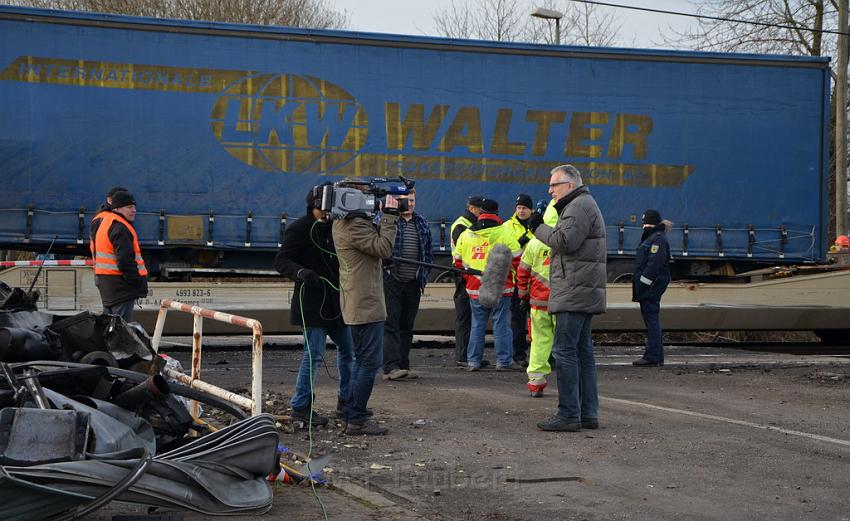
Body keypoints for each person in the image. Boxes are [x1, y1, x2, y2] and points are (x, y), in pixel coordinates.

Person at [528, 165, 606, 432]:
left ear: (570, 185)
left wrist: (537, 227)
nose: (550, 191)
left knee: (564, 352)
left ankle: (569, 414)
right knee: (581, 352)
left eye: (554, 185)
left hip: (574, 290)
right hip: (581, 289)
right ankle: (587, 413)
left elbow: (564, 241)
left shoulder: (577, 207)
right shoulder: (583, 204)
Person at [274, 184, 354, 426]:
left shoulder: (336, 227)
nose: (328, 214)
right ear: (314, 206)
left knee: (349, 350)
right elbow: (281, 260)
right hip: (311, 302)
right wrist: (302, 272)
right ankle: (301, 407)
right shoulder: (300, 228)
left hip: (336, 301)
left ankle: (347, 401)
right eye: (324, 209)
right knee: (314, 355)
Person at [333, 178, 400, 436]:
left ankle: (352, 410)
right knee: (368, 363)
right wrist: (390, 217)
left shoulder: (345, 223)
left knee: (362, 361)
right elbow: (383, 248)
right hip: (365, 304)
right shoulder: (355, 226)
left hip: (359, 302)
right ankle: (357, 419)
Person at [454, 198, 523, 371]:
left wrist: (470, 276)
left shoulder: (467, 234)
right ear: (497, 213)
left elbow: (457, 261)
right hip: (501, 287)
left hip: (475, 287)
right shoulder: (505, 233)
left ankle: (473, 361)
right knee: (501, 325)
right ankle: (503, 361)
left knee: (477, 324)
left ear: (481, 212)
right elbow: (517, 260)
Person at [382, 188, 432, 381]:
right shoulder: (388, 221)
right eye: (405, 201)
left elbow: (427, 252)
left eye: (412, 200)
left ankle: (404, 365)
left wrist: (423, 275)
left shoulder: (422, 223)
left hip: (414, 282)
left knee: (407, 326)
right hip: (392, 280)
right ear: (397, 202)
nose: (409, 204)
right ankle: (390, 367)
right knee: (391, 324)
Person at [516, 201, 558, 397]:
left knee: (540, 342)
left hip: (539, 303)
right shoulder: (566, 241)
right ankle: (572, 382)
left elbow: (522, 273)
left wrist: (523, 296)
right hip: (562, 303)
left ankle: (536, 381)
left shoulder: (533, 243)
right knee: (566, 343)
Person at [90, 190, 148, 323]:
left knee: (111, 330)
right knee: (122, 332)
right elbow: (125, 262)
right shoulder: (120, 227)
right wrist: (137, 283)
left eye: (134, 207)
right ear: (117, 208)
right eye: (128, 207)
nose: (133, 210)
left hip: (109, 286)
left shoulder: (107, 222)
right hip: (121, 288)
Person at [632, 210, 672, 367]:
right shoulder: (654, 237)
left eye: (646, 223)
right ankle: (655, 355)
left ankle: (653, 355)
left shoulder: (657, 239)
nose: (644, 226)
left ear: (652, 223)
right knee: (651, 319)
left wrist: (643, 284)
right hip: (649, 286)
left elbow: (653, 264)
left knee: (651, 320)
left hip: (651, 287)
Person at [450, 195, 484, 367]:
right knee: (465, 316)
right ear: (472, 208)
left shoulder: (467, 224)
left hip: (467, 274)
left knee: (471, 317)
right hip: (463, 275)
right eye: (480, 209)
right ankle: (462, 355)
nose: (482, 212)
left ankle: (469, 354)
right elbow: (463, 252)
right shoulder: (462, 225)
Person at [503, 194, 535, 367]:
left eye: (524, 208)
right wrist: (519, 242)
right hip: (516, 280)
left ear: (531, 210)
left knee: (538, 320)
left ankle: (538, 353)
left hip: (537, 281)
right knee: (517, 319)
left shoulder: (538, 225)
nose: (521, 211)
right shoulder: (507, 226)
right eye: (519, 208)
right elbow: (504, 249)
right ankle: (519, 354)